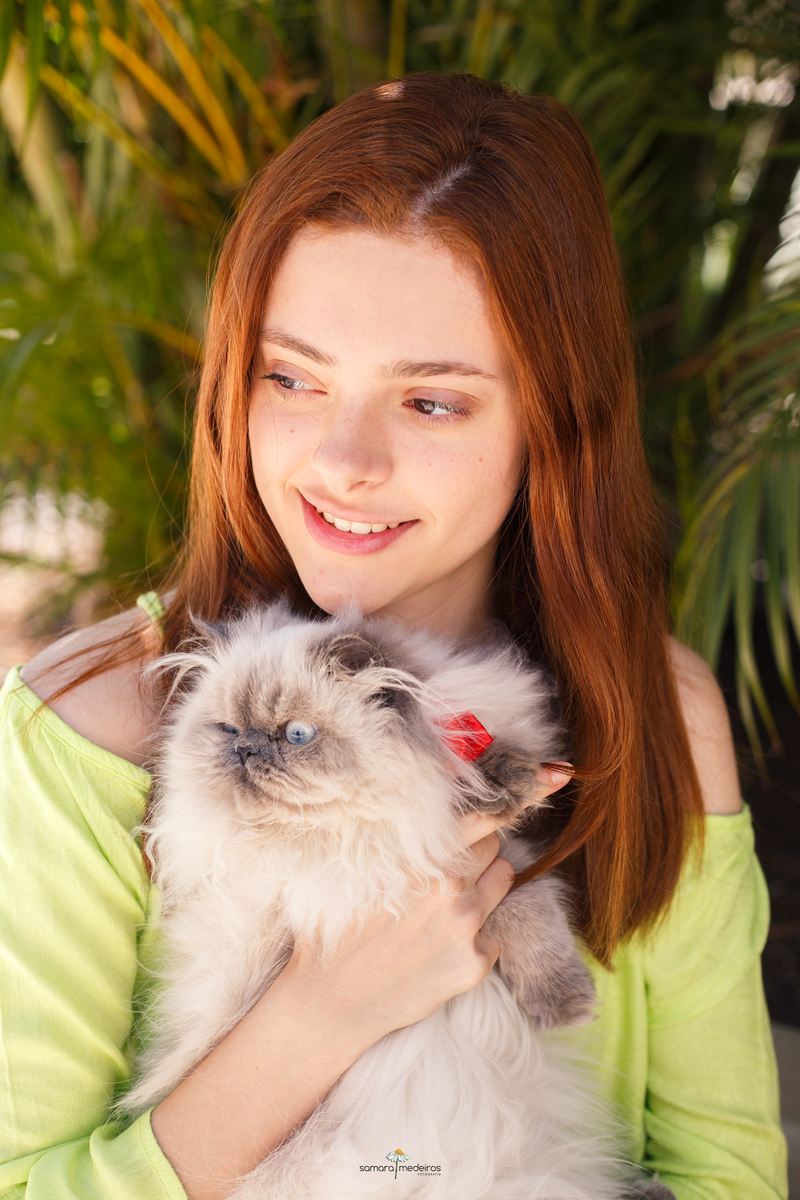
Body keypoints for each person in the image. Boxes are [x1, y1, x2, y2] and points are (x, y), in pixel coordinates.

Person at [0, 73, 787, 1200]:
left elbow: (724, 1176)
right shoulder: (85, 730)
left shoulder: (658, 715)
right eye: (292, 377)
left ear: (550, 422)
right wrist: (326, 1010)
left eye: (430, 401)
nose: (341, 460)